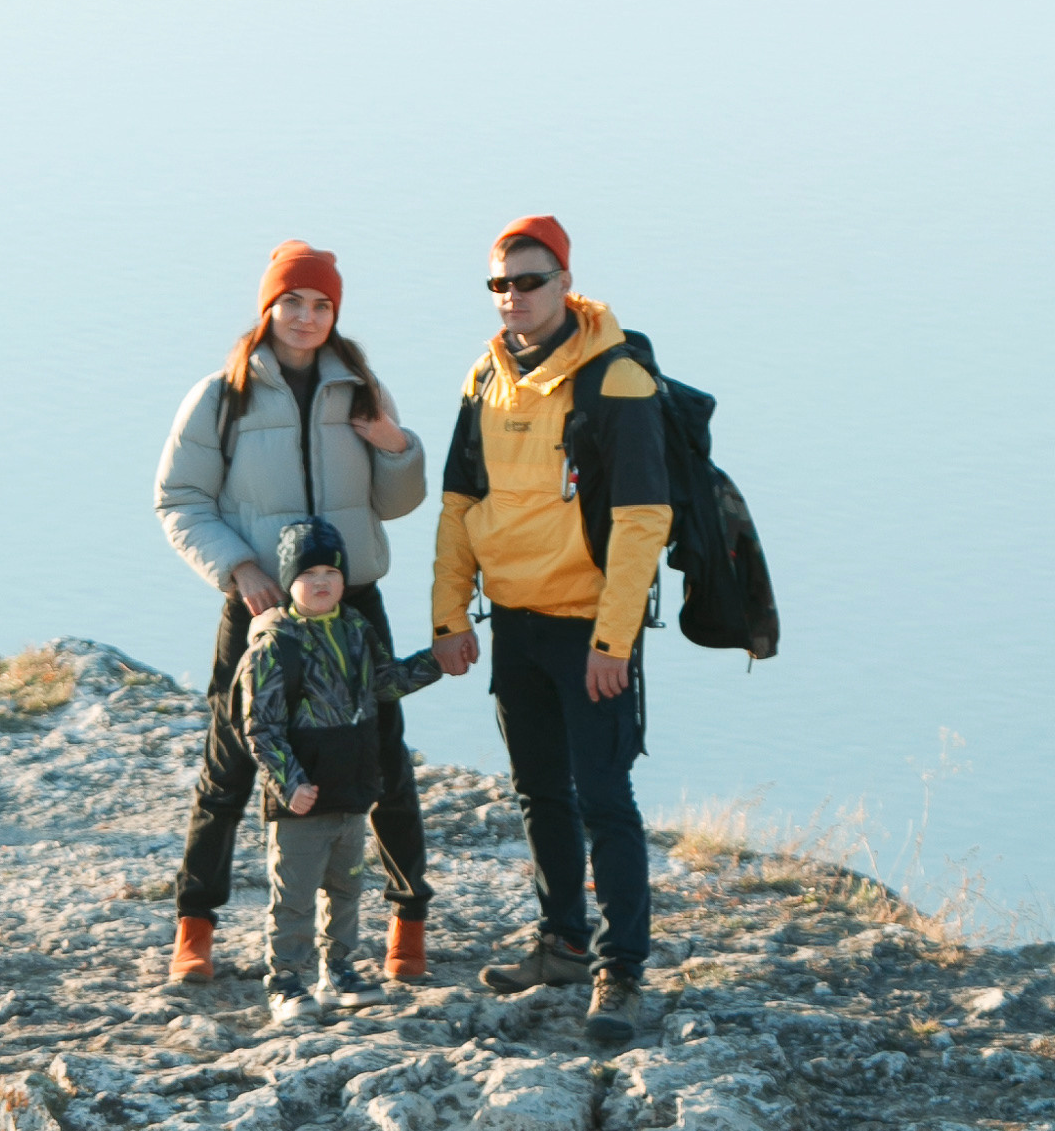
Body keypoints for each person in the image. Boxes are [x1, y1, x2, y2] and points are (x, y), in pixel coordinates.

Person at [156, 241, 432, 986]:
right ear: (267, 307)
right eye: (292, 302)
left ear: (334, 313)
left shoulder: (361, 389)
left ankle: (407, 926)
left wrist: (395, 445)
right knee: (230, 766)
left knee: (383, 762)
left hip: (353, 605)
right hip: (259, 607)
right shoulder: (222, 395)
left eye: (321, 305)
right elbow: (179, 499)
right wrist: (239, 567)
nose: (306, 318)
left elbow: (397, 502)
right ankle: (196, 927)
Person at [431, 215, 670, 1048]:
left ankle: (622, 968)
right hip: (516, 627)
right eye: (499, 285)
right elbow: (459, 504)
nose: (512, 298)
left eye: (528, 281)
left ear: (564, 282)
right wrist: (447, 617)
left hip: (588, 631)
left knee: (604, 797)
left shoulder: (615, 379)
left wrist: (613, 642)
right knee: (539, 793)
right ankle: (563, 941)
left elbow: (643, 520)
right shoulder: (485, 378)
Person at [239, 519, 445, 1023]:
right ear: (288, 581)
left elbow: (385, 683)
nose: (323, 582)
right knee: (294, 896)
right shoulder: (273, 645)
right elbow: (260, 729)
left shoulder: (355, 628)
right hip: (302, 798)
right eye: (309, 573)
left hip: (351, 790)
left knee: (347, 888)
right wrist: (291, 785)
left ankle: (339, 972)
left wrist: (437, 661)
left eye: (331, 571)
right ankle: (285, 981)